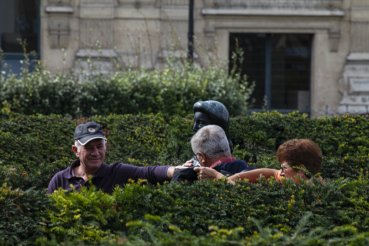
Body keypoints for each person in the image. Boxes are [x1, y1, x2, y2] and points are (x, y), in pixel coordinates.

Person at [48, 121, 179, 194]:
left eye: (99, 146)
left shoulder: (117, 172)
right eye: (89, 147)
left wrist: (178, 170)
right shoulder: (60, 180)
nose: (95, 152)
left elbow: (149, 173)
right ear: (75, 150)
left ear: (106, 147)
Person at [194, 138, 322, 184]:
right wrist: (217, 175)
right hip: (239, 171)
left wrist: (216, 175)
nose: (281, 172)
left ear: (301, 170)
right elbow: (231, 183)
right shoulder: (277, 175)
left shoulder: (317, 188)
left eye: (285, 168)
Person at [171, 125, 253, 182]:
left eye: (196, 157)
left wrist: (180, 173)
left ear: (202, 157)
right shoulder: (244, 167)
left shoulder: (203, 177)